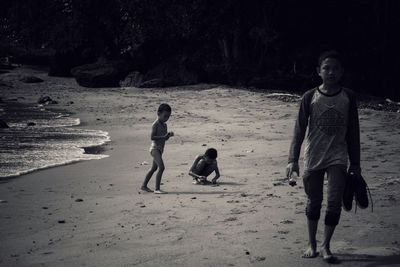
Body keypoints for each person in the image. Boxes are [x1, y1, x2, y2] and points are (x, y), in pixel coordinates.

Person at [286, 50, 361, 262]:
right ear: (318, 71)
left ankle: (326, 246)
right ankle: (312, 244)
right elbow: (299, 129)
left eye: (336, 68)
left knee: (334, 201)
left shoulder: (349, 96)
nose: (331, 72)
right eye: (326, 68)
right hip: (313, 156)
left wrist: (355, 163)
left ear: (342, 71)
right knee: (314, 201)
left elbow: (354, 132)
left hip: (338, 156)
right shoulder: (310, 96)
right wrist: (292, 160)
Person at [141, 103, 174, 194]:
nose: (166, 118)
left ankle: (144, 186)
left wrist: (168, 136)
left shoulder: (164, 125)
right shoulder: (155, 124)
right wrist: (164, 136)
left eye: (168, 117)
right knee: (162, 167)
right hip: (154, 149)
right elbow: (152, 137)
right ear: (158, 113)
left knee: (153, 168)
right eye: (165, 116)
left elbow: (164, 138)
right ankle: (157, 189)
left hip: (160, 149)